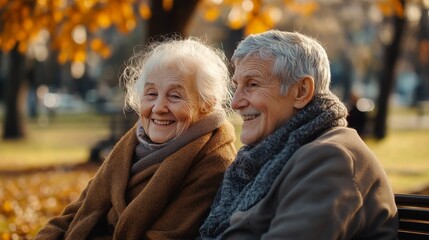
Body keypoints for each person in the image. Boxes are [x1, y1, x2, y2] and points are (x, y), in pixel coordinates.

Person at [199, 30, 398, 239]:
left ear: (301, 92)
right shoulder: (270, 155)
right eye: (236, 86)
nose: (236, 102)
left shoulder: (330, 158)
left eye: (252, 85)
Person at [34, 37, 237, 240]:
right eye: (151, 93)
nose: (158, 107)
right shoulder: (133, 142)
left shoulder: (214, 161)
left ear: (207, 105)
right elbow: (76, 212)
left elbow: (165, 236)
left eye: (175, 96)